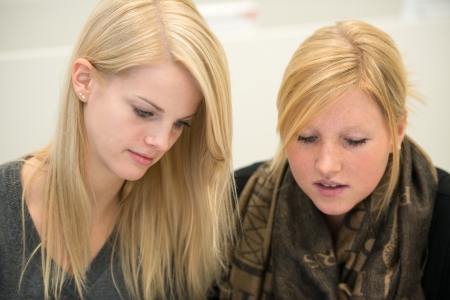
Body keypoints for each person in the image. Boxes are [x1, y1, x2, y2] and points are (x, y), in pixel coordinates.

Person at [0, 0, 235, 299]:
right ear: (84, 80)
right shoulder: (5, 210)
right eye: (143, 112)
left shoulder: (178, 216)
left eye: (180, 124)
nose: (162, 142)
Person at [219, 20, 450, 299]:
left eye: (354, 141)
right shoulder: (231, 200)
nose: (326, 166)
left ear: (397, 131)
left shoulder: (444, 219)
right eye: (305, 137)